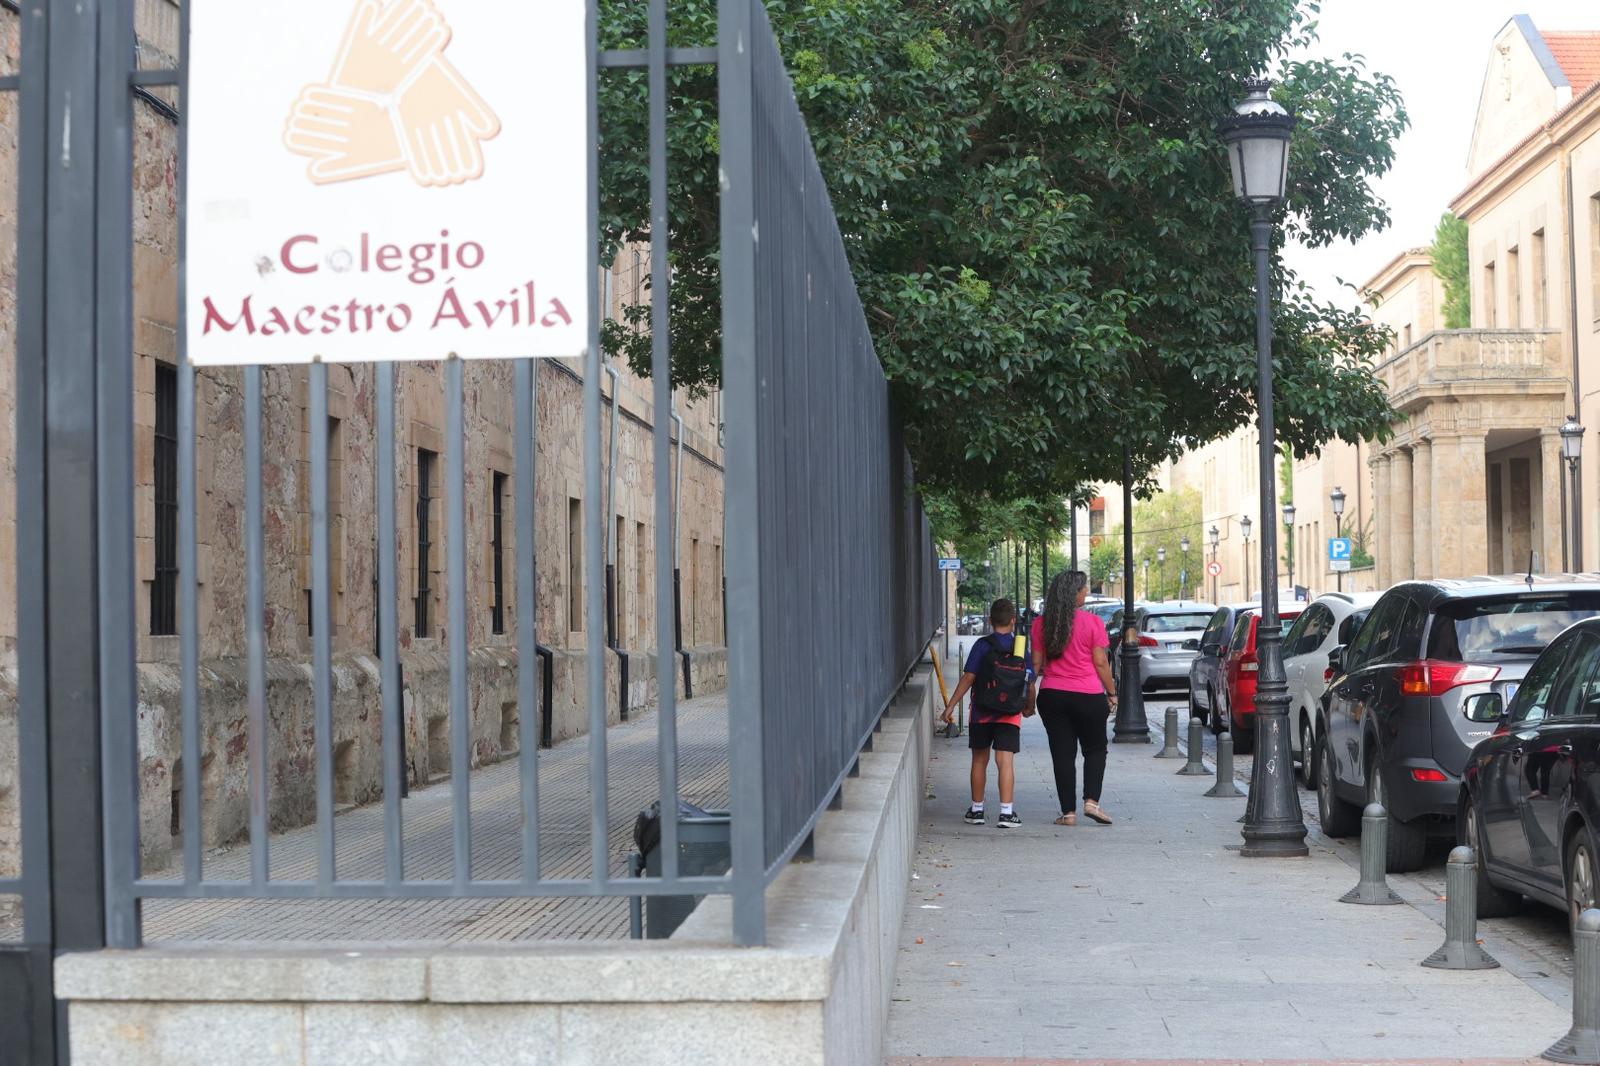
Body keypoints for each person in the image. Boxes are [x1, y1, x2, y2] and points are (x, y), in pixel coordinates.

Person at [1030, 570, 1116, 826]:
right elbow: (1101, 663)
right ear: (1074, 593)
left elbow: (1035, 665)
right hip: (1088, 695)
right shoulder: (1093, 623)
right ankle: (1091, 802)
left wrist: (1028, 695)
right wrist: (1112, 693)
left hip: (1052, 695)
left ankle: (1068, 813)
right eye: (1084, 589)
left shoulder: (1041, 624)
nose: (1086, 592)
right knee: (1095, 748)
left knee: (1062, 754)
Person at [940, 598, 1032, 828]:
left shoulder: (982, 645)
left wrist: (951, 705)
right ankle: (1006, 813)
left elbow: (969, 677)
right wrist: (1031, 705)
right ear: (1013, 621)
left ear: (990, 620)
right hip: (1010, 714)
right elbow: (1029, 680)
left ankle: (977, 810)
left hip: (982, 712)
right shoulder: (1020, 647)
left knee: (979, 761)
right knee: (1005, 761)